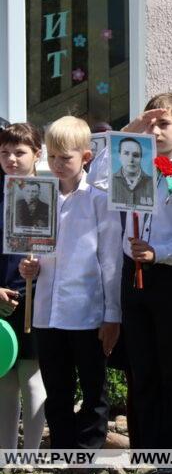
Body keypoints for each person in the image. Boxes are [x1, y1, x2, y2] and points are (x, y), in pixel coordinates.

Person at [88, 92, 172, 449]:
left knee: (171, 367)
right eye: (150, 123)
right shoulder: (133, 162)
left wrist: (160, 253)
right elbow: (96, 180)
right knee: (139, 367)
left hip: (170, 277)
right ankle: (144, 450)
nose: (155, 130)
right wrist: (129, 131)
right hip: (132, 274)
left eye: (163, 123)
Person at [18, 116, 122, 449]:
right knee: (57, 386)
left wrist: (112, 314)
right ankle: (63, 449)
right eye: (52, 157)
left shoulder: (99, 199)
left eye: (66, 158)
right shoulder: (40, 196)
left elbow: (110, 260)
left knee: (93, 387)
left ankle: (88, 450)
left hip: (86, 309)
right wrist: (29, 269)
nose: (58, 165)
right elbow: (34, 251)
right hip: (47, 308)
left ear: (86, 157)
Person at [0, 123, 47, 452]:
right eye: (4, 153)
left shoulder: (48, 194)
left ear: (37, 154)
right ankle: (5, 455)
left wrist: (39, 269)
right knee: (4, 380)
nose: (11, 159)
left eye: (20, 152)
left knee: (31, 376)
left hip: (35, 296)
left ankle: (29, 455)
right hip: (1, 299)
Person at [112, 137, 155, 208]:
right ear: (119, 156)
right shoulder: (109, 182)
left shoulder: (153, 183)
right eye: (126, 154)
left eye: (136, 155)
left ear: (141, 158)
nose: (131, 160)